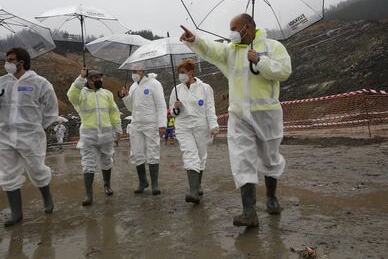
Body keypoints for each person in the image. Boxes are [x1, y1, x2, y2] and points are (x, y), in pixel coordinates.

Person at [180, 13, 292, 227]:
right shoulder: (231, 51)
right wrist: (194, 40)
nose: (230, 32)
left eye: (234, 27)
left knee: (270, 159)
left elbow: (285, 71)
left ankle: (271, 197)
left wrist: (260, 60)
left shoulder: (273, 47)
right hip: (239, 116)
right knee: (242, 159)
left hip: (267, 113)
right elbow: (211, 49)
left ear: (247, 28)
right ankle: (249, 212)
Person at [0, 47, 59, 227]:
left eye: (10, 60)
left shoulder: (40, 83)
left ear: (21, 62)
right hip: (5, 135)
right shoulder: (2, 82)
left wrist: (38, 127)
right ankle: (16, 213)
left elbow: (51, 109)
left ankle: (47, 200)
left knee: (37, 169)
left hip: (31, 136)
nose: (7, 63)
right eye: (7, 60)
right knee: (8, 173)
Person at [67, 68, 122, 206]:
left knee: (107, 160)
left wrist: (117, 129)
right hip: (88, 135)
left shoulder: (107, 94)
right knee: (88, 163)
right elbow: (71, 95)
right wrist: (80, 77)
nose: (98, 80)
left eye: (99, 77)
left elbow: (114, 112)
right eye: (94, 78)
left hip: (106, 134)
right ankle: (88, 193)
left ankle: (107, 185)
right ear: (88, 80)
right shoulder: (81, 94)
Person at [169, 59, 219, 204]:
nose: (181, 76)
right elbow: (173, 113)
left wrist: (213, 125)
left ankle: (197, 186)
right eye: (179, 73)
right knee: (190, 154)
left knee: (201, 156)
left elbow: (210, 108)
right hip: (183, 126)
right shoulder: (176, 90)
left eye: (183, 72)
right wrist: (176, 107)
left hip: (200, 125)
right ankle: (193, 192)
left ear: (191, 72)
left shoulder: (205, 88)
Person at [119, 65, 166, 195]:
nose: (133, 74)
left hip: (151, 124)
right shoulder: (133, 86)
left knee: (153, 152)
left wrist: (162, 124)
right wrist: (125, 97)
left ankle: (155, 184)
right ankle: (142, 181)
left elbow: (161, 106)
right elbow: (130, 108)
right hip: (136, 125)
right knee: (137, 153)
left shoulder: (155, 84)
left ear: (142, 71)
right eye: (132, 71)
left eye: (136, 71)